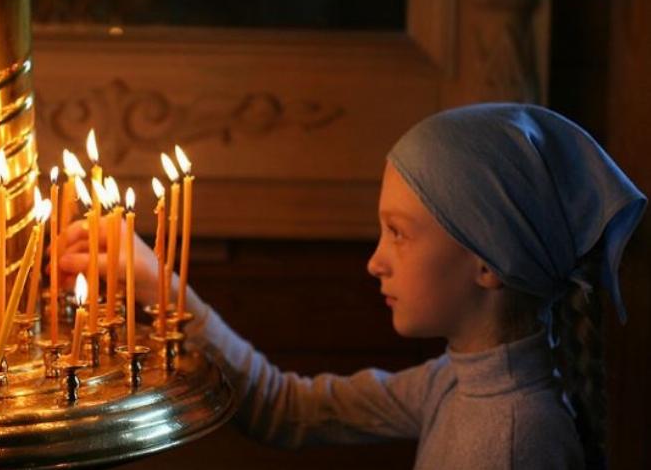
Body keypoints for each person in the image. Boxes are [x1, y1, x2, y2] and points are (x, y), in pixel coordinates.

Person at [58, 103, 646, 469]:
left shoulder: (514, 443)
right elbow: (289, 411)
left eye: (399, 234)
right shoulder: (460, 381)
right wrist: (159, 285)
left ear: (487, 262)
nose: (374, 262)